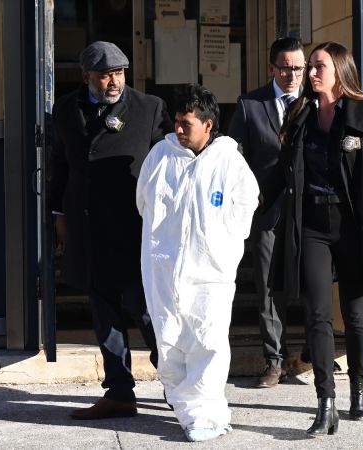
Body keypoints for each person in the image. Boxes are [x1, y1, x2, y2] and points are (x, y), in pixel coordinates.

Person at [265, 41, 363, 436]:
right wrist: (251, 201)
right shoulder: (301, 113)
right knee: (316, 312)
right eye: (311, 67)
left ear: (340, 71)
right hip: (312, 223)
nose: (311, 74)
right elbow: (282, 170)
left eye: (319, 67)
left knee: (354, 312)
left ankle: (358, 390)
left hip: (354, 224)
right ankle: (325, 402)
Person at [48, 41, 171, 419]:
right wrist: (59, 215)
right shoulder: (65, 109)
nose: (114, 81)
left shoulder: (149, 108)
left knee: (147, 312)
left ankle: (177, 386)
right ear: (86, 75)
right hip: (88, 228)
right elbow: (59, 166)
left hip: (133, 229)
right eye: (105, 75)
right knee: (104, 314)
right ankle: (119, 392)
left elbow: (170, 166)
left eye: (119, 73)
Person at [136, 84, 259, 442]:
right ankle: (189, 409)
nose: (178, 129)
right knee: (169, 340)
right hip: (164, 268)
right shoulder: (161, 155)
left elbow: (247, 203)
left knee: (208, 340)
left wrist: (222, 241)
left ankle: (204, 414)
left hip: (211, 271)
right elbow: (143, 201)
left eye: (185, 124)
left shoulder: (228, 160)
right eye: (176, 122)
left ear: (208, 125)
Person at [228, 36, 305, 388]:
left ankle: (314, 353)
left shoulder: (315, 100)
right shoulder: (250, 105)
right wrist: (248, 195)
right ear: (272, 68)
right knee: (268, 286)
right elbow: (233, 157)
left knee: (314, 282)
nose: (292, 75)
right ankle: (274, 360)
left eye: (298, 68)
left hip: (308, 209)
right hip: (266, 210)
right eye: (286, 68)